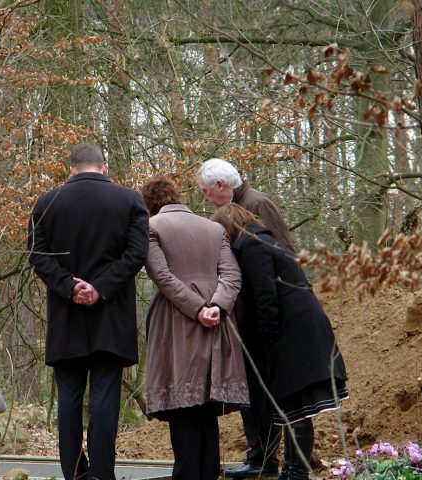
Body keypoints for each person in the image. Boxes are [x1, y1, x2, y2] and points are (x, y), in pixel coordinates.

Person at [27, 143, 149, 480]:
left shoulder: (46, 202)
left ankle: (74, 474)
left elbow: (38, 256)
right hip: (111, 316)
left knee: (68, 398)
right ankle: (101, 475)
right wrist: (101, 288)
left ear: (72, 168)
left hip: (66, 318)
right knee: (104, 395)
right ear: (104, 167)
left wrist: (70, 287)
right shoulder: (130, 201)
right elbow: (137, 254)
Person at [213, 204, 349, 480]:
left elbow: (266, 294)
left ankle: (296, 473)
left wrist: (268, 337)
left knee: (296, 404)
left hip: (292, 330)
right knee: (293, 404)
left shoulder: (252, 246)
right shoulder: (265, 240)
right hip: (298, 324)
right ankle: (290, 470)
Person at [141, 177, 248, 480]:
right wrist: (216, 305)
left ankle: (187, 474)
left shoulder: (152, 228)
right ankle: (208, 473)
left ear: (149, 203)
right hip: (217, 323)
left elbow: (162, 276)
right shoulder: (213, 228)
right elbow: (232, 275)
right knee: (205, 404)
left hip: (176, 322)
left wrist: (197, 309)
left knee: (184, 402)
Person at [195, 158, 293, 478]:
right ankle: (259, 456)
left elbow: (282, 258)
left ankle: (266, 459)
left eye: (206, 192)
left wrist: (273, 319)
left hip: (265, 317)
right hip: (245, 317)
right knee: (250, 389)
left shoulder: (258, 204)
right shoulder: (232, 211)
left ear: (221, 186)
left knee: (264, 389)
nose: (205, 198)